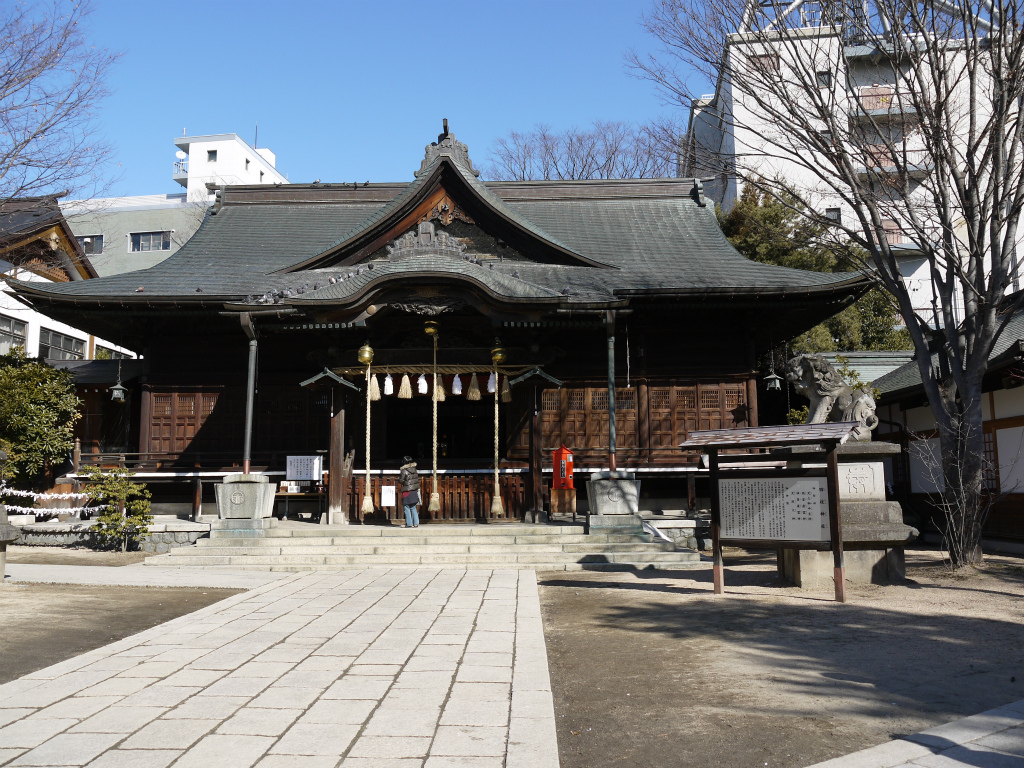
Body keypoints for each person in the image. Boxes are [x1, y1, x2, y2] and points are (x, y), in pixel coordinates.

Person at [398, 455, 421, 528]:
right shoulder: (414, 469)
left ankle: (409, 523)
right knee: (413, 507)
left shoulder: (404, 470)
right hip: (414, 490)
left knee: (406, 507)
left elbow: (401, 481)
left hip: (407, 490)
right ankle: (416, 523)